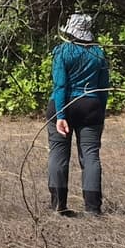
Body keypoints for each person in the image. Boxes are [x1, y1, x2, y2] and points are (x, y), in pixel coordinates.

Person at [47, 12, 110, 217]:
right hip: (91, 105)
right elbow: (103, 87)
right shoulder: (98, 54)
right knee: (91, 154)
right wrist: (100, 111)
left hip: (63, 104)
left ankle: (58, 205)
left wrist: (61, 115)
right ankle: (93, 208)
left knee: (58, 152)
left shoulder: (62, 51)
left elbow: (60, 85)